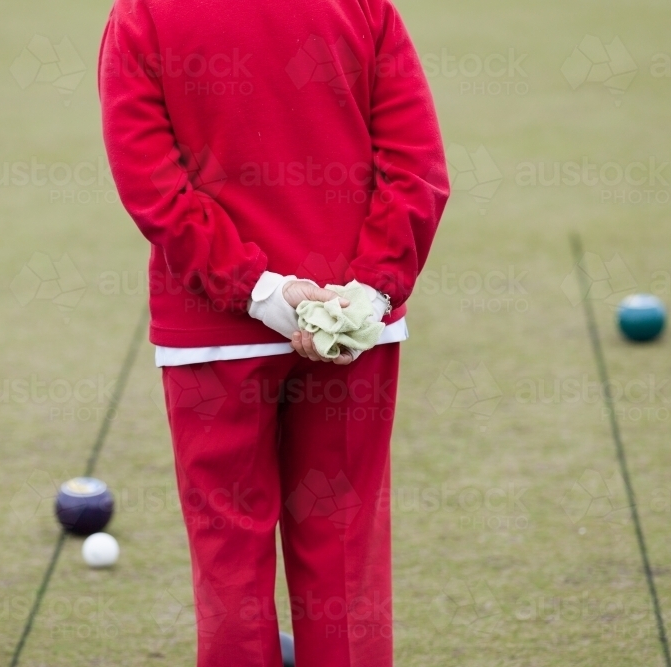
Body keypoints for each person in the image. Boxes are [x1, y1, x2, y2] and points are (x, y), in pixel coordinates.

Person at [99, 0, 448, 663]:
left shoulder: (142, 13)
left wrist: (259, 291)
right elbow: (417, 168)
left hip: (212, 334)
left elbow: (153, 188)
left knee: (228, 560)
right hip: (351, 325)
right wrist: (369, 291)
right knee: (345, 557)